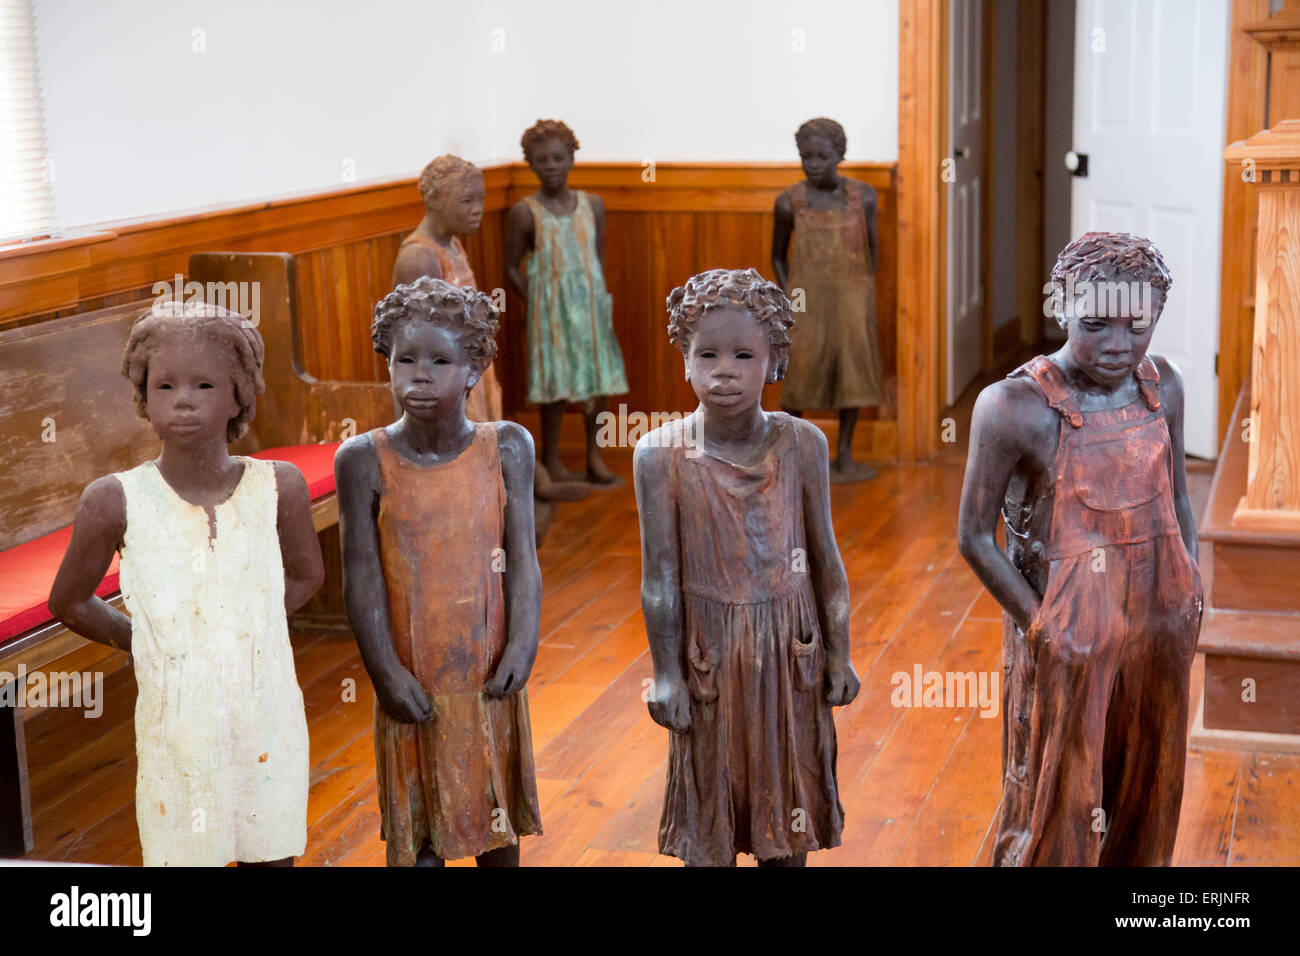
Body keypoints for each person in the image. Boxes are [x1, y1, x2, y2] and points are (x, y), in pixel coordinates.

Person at [957, 232, 1203, 866]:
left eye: (1137, 324)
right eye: (1095, 323)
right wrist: (1041, 626)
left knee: (1150, 771)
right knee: (1053, 786)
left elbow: (1177, 498)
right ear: (1059, 306)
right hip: (1067, 625)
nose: (1118, 345)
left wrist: (1190, 588)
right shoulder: (1012, 406)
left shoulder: (1163, 386)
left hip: (1159, 612)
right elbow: (974, 536)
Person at [48, 300, 322, 867]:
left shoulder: (280, 486)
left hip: (265, 706)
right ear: (144, 396)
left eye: (203, 384)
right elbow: (69, 600)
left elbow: (307, 574)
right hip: (177, 717)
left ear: (238, 394)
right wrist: (146, 640)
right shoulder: (114, 499)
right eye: (165, 385)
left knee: (270, 844)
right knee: (183, 849)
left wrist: (248, 624)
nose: (183, 400)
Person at [633, 267, 860, 867]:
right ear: (684, 360)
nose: (724, 370)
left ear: (775, 361)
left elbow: (825, 559)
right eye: (706, 353)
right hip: (708, 653)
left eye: (743, 354)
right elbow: (658, 579)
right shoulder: (660, 455)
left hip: (790, 651)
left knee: (786, 816)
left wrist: (839, 652)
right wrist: (665, 674)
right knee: (708, 818)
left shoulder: (803, 444)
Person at [335, 276, 543, 866]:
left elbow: (522, 558)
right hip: (411, 667)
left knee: (496, 825)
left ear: (474, 368)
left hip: (485, 663)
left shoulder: (507, 448)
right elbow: (362, 578)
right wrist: (384, 672)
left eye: (440, 360)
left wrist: (522, 643)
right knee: (418, 829)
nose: (419, 376)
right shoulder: (363, 459)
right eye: (405, 360)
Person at [505, 118, 629, 487]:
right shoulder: (525, 212)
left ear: (572, 158)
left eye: (558, 157)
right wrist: (537, 300)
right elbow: (510, 267)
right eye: (542, 160)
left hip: (590, 309)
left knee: (596, 383)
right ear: (530, 163)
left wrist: (595, 297)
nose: (551, 166)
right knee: (553, 385)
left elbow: (597, 255)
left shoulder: (593, 205)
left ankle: (594, 456)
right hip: (549, 312)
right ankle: (552, 458)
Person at [772, 117, 883, 483]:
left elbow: (873, 249)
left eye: (822, 156)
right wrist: (790, 295)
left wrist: (863, 288)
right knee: (800, 373)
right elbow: (777, 255)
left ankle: (845, 453)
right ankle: (790, 455)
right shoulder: (790, 202)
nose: (814, 164)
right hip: (805, 301)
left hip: (852, 298)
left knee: (852, 371)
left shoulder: (863, 196)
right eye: (806, 157)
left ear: (840, 154)